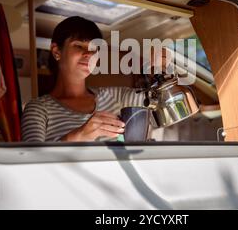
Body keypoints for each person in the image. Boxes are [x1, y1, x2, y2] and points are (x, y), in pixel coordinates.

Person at [22, 16, 158, 142]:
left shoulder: (117, 96)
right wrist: (80, 135)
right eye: (79, 46)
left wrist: (160, 70)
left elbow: (166, 101)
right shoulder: (38, 109)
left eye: (94, 48)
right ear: (56, 51)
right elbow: (28, 163)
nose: (89, 54)